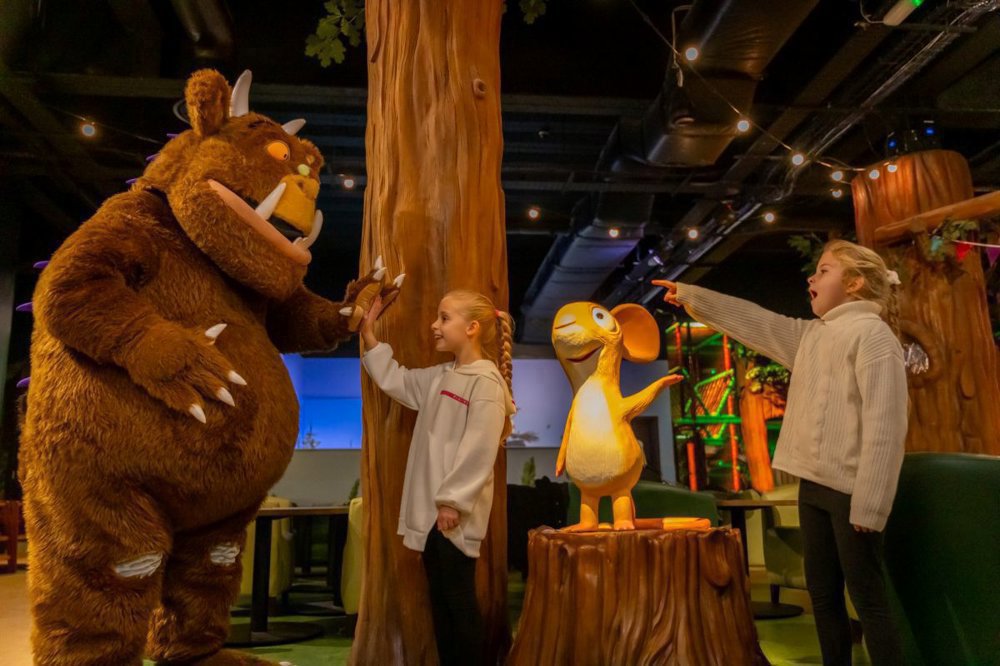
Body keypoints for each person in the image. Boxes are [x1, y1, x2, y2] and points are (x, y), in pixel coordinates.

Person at [655, 239, 907, 666]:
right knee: (823, 595)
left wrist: (871, 502)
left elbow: (886, 423)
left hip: (851, 493)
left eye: (824, 270)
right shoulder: (811, 336)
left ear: (855, 283)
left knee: (867, 598)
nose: (812, 277)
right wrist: (692, 296)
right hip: (814, 486)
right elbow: (757, 322)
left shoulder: (873, 336)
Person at [359, 289, 515, 666]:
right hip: (433, 516)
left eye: (444, 318)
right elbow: (396, 380)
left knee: (458, 603)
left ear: (472, 328)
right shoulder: (441, 377)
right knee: (442, 604)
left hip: (453, 516)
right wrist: (368, 335)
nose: (435, 325)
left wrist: (452, 502)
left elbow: (479, 449)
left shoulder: (486, 382)